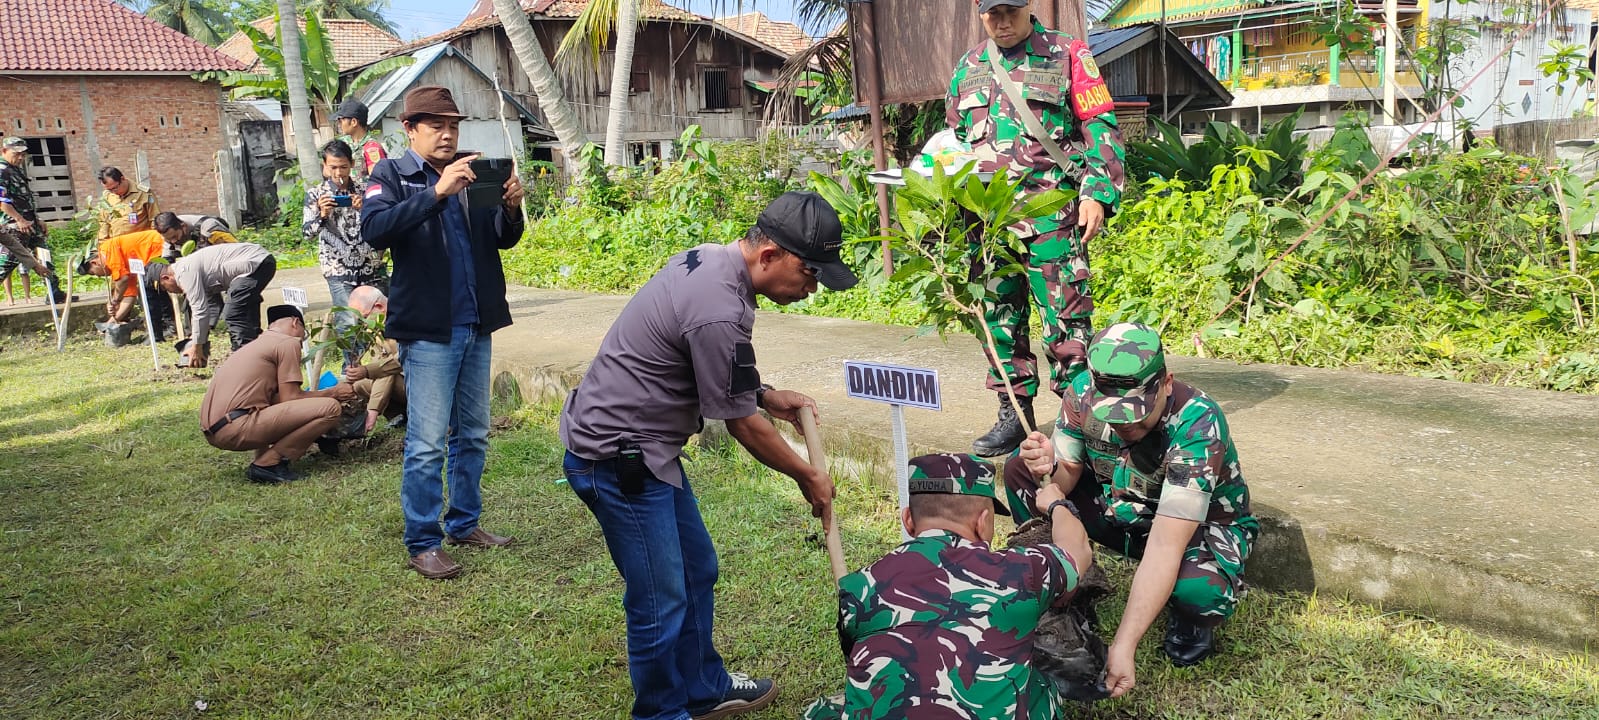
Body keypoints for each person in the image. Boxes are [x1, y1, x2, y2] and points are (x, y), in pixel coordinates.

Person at [558, 190, 856, 720]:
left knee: (697, 569)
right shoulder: (719, 305)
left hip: (649, 452)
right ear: (769, 256)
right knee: (660, 598)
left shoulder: (713, 263)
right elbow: (740, 423)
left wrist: (764, 393)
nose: (812, 289)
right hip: (617, 456)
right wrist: (807, 476)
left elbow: (715, 369)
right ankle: (661, 712)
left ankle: (702, 688)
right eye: (810, 274)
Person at [1007, 322, 1258, 697]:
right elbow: (1069, 472)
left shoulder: (1198, 423)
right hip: (1122, 509)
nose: (1125, 423)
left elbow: (1164, 547)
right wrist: (1047, 468)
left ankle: (1189, 621)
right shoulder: (1082, 393)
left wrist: (1123, 645)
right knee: (1019, 468)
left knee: (1201, 592)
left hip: (1192, 529)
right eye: (1113, 412)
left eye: (1137, 410)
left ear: (1167, 383)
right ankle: (1061, 584)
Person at [359, 85, 525, 580]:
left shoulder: (474, 171)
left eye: (453, 125)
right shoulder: (392, 174)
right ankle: (423, 540)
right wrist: (436, 193)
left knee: (472, 433)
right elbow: (376, 230)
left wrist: (511, 208)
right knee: (428, 441)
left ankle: (465, 522)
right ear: (410, 130)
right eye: (437, 126)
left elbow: (504, 239)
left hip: (476, 320)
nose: (448, 134)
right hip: (428, 329)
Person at [949, 0, 1126, 457]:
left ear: (1028, 7)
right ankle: (1015, 412)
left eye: (1011, 10)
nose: (1003, 22)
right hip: (988, 222)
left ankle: (1077, 418)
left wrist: (1096, 193)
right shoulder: (968, 67)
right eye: (993, 13)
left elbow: (1099, 125)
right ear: (978, 10)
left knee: (1066, 322)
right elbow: (953, 142)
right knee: (999, 319)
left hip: (1052, 215)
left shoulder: (1067, 54)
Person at [801, 453, 1093, 720]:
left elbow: (855, 654)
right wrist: (1057, 504)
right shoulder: (1023, 572)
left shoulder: (858, 586)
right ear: (983, 521)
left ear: (908, 520)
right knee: (1042, 687)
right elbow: (1077, 549)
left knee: (822, 711)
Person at [198, 304, 357, 483]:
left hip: (216, 430)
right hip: (235, 426)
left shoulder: (257, 344)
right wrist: (333, 392)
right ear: (295, 323)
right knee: (330, 408)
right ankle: (268, 463)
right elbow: (291, 398)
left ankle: (263, 457)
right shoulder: (287, 342)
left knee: (281, 405)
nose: (300, 341)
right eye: (303, 336)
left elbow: (273, 401)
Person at [305, 139, 386, 352]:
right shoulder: (316, 194)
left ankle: (379, 370)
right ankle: (351, 372)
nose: (338, 172)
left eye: (343, 166)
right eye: (332, 167)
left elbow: (383, 225)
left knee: (380, 319)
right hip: (338, 270)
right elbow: (307, 234)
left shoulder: (366, 190)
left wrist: (364, 209)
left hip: (370, 266)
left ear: (352, 164)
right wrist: (322, 214)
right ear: (324, 166)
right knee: (348, 323)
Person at [152, 242, 277, 364]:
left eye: (165, 288)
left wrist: (197, 347)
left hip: (255, 263)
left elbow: (200, 311)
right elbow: (205, 310)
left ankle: (244, 358)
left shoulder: (184, 273)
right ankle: (255, 354)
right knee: (244, 309)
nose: (170, 291)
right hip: (258, 261)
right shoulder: (186, 269)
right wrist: (197, 339)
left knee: (233, 313)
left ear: (166, 278)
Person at [0, 136, 66, 304]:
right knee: (7, 262)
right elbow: (2, 202)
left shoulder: (16, 170)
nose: (21, 158)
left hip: (31, 222)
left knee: (45, 254)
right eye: (17, 154)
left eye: (23, 154)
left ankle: (54, 291)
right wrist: (19, 219)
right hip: (14, 225)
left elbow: (25, 197)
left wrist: (37, 219)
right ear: (4, 151)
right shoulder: (2, 170)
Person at [80, 229, 172, 340]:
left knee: (150, 286)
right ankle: (164, 327)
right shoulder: (122, 265)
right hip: (148, 258)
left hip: (157, 246)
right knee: (149, 287)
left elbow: (122, 280)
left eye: (93, 273)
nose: (98, 276)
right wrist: (111, 323)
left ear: (94, 263)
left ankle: (166, 328)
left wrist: (115, 300)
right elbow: (129, 296)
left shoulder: (109, 251)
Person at [341, 284, 406, 435]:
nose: (363, 323)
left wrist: (373, 409)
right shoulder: (376, 326)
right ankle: (402, 415)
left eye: (364, 317)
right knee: (360, 384)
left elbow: (395, 363)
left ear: (379, 306)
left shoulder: (404, 317)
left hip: (422, 380)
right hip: (403, 379)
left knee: (386, 371)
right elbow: (379, 362)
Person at [95, 166, 158, 241]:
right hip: (117, 245)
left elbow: (155, 219)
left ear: (122, 179)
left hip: (140, 244)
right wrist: (103, 242)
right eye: (109, 190)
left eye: (115, 188)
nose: (113, 192)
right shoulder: (107, 196)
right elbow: (103, 222)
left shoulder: (144, 193)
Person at [334, 98, 387, 182]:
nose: (339, 124)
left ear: (354, 122)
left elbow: (379, 180)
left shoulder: (372, 148)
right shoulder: (343, 143)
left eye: (341, 120)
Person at [154, 211, 236, 261]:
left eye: (175, 237)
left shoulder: (209, 228)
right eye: (168, 239)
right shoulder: (169, 234)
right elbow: (167, 258)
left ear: (183, 226)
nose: (173, 242)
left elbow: (235, 251)